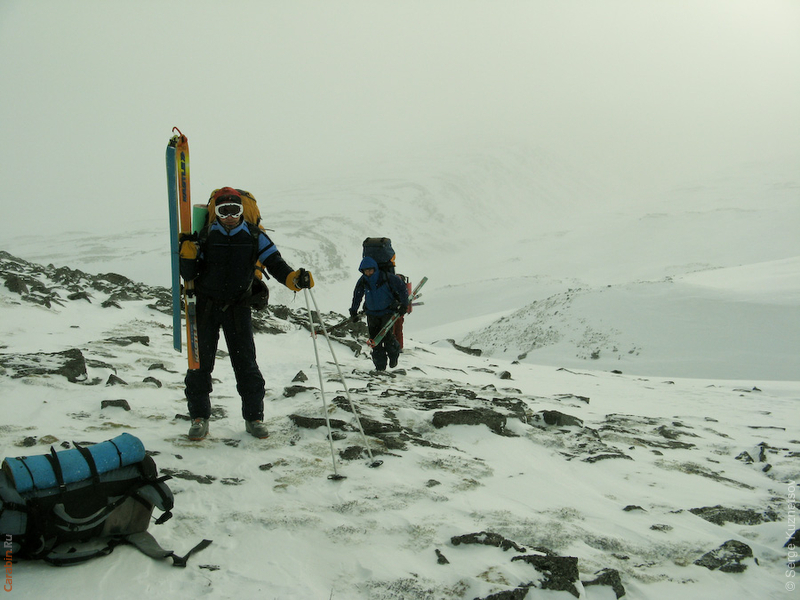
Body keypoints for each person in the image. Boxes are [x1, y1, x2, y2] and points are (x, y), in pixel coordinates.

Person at [178, 187, 314, 441]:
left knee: (246, 364)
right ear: (216, 212)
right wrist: (187, 255)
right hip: (205, 306)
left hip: (237, 307)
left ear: (242, 211)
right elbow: (188, 274)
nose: (229, 216)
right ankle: (199, 417)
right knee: (199, 365)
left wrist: (293, 280)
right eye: (223, 211)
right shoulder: (204, 236)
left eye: (235, 210)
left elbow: (275, 263)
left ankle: (254, 418)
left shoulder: (254, 236)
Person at [349, 256, 408, 371]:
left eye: (370, 270)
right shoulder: (363, 280)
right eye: (365, 271)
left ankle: (393, 355)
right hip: (372, 313)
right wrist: (354, 311)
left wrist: (404, 305)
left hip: (387, 311)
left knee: (387, 337)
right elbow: (357, 295)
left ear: (375, 268)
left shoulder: (386, 277)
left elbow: (402, 289)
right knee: (374, 341)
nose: (368, 273)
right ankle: (380, 367)